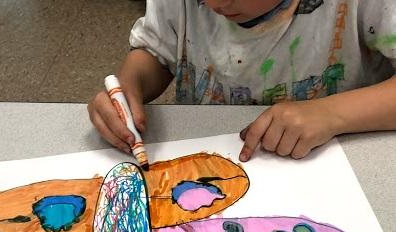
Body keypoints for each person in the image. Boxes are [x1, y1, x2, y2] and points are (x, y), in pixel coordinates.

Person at [88, 0, 396, 161]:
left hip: (335, 161)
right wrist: (130, 84)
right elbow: (157, 52)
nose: (214, 3)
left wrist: (331, 114)